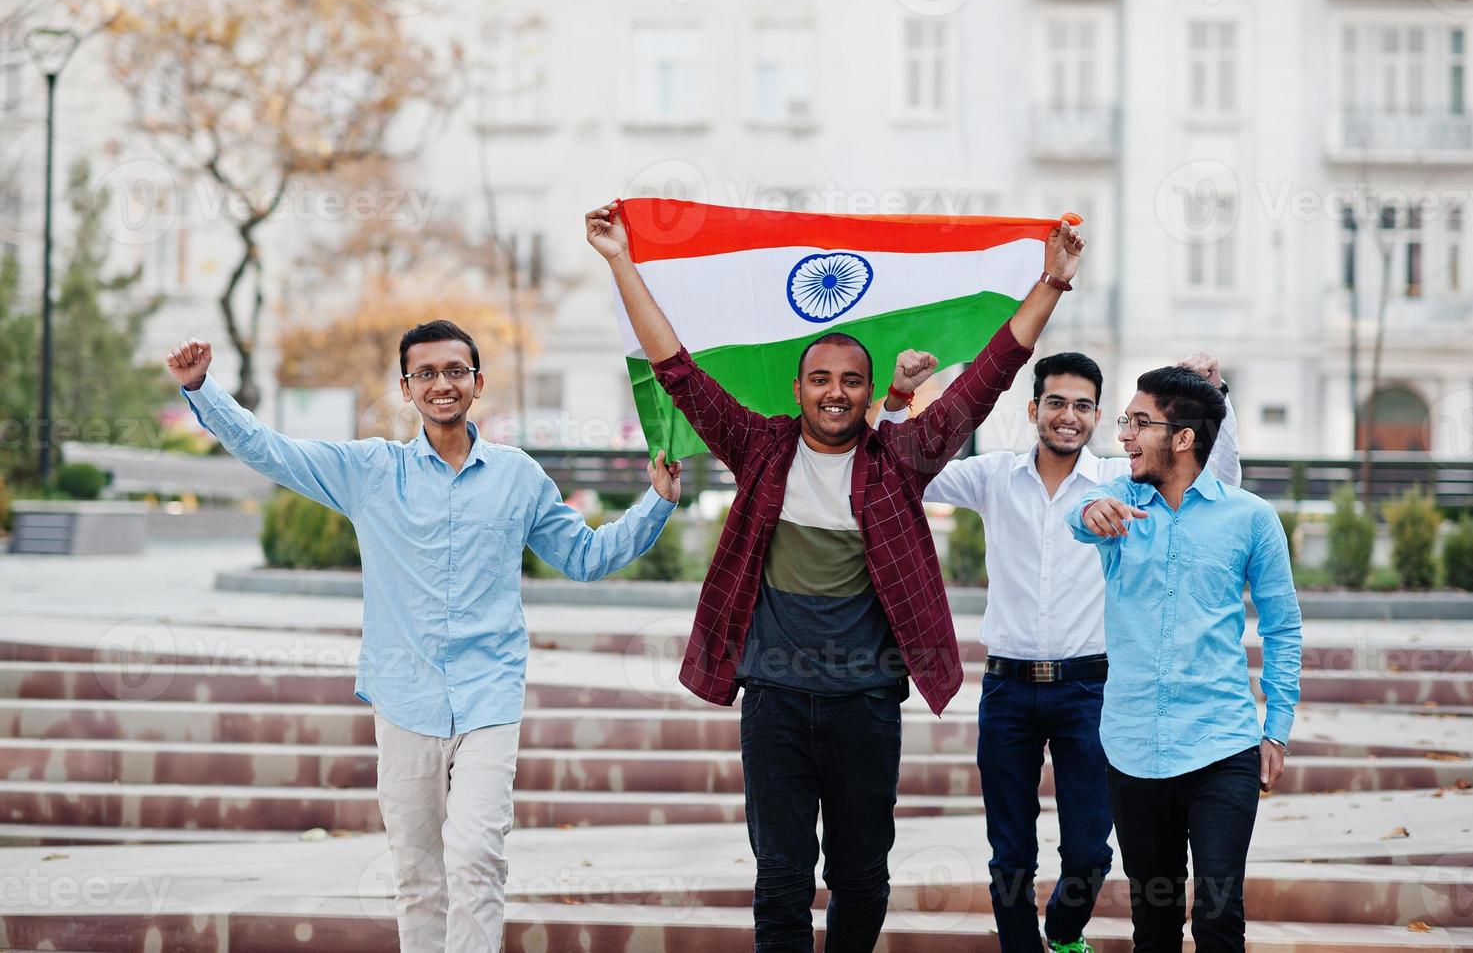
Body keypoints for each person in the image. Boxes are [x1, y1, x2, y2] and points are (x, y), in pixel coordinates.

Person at [587, 199, 1084, 951]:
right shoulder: (758, 449)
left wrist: (1048, 284)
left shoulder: (898, 460)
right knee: (780, 878)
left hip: (865, 704)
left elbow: (986, 377)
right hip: (775, 702)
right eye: (819, 378)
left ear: (867, 388)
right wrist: (620, 260)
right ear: (797, 389)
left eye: (851, 380)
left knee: (860, 879)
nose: (835, 392)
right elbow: (678, 371)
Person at [165, 320, 682, 953]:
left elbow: (584, 557)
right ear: (406, 389)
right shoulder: (370, 470)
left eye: (455, 371)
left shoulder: (518, 476)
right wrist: (201, 389)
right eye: (426, 374)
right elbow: (270, 448)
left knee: (475, 858)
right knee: (416, 876)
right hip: (404, 698)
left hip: (489, 698)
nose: (443, 384)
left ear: (477, 382)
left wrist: (655, 501)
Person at [874, 350, 1240, 953]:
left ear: (1097, 417)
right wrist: (895, 402)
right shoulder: (994, 476)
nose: (1068, 416)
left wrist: (1211, 393)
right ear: (1033, 409)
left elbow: (1217, 482)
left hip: (1092, 691)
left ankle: (1064, 934)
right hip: (1008, 691)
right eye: (1056, 403)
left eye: (1082, 406)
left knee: (1092, 849)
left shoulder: (1123, 486)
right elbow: (901, 467)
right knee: (1010, 850)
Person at [1065, 366, 1301, 953]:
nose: (1124, 435)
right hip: (1133, 746)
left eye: (1139, 423)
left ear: (1184, 438)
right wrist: (1089, 513)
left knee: (1220, 915)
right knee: (1155, 921)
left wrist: (1276, 731)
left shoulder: (1251, 518)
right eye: (1125, 420)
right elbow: (1081, 513)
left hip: (1222, 744)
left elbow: (1283, 626)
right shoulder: (1118, 502)